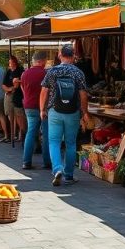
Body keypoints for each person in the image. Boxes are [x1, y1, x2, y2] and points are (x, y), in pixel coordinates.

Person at [40, 44, 89, 186]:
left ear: (60, 56)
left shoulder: (52, 71)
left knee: (54, 142)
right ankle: (69, 175)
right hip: (72, 112)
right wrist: (84, 112)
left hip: (55, 111)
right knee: (71, 143)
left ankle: (57, 169)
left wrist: (42, 109)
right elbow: (83, 94)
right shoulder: (78, 73)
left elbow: (44, 91)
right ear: (73, 56)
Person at [21, 51, 51, 170]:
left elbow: (23, 89)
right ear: (42, 61)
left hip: (29, 106)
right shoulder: (45, 73)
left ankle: (26, 161)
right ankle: (47, 161)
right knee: (46, 135)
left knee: (31, 133)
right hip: (43, 107)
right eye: (45, 61)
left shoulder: (25, 74)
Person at [2, 55, 25, 142]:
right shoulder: (8, 72)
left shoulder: (20, 71)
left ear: (14, 63)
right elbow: (3, 84)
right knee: (9, 114)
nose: (10, 64)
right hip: (9, 95)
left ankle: (20, 134)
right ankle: (12, 135)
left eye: (11, 63)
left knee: (18, 115)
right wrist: (8, 89)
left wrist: (12, 89)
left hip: (18, 96)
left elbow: (17, 85)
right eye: (9, 63)